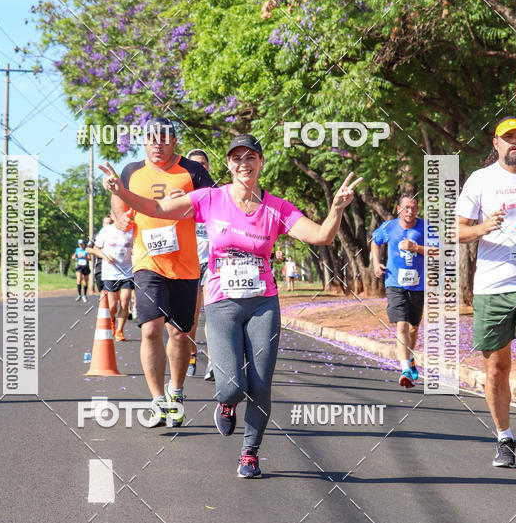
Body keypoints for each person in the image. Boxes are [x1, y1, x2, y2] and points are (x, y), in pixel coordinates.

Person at [100, 133, 361, 478]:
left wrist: (337, 209)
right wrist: (121, 193)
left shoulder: (277, 208)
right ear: (228, 165)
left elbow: (321, 236)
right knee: (231, 385)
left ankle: (250, 452)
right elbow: (159, 209)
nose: (244, 164)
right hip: (222, 302)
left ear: (261, 162)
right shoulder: (211, 198)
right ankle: (225, 402)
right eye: (237, 159)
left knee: (261, 383)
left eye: (250, 157)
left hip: (263, 303)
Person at [108, 118, 214, 426]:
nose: (158, 144)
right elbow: (119, 198)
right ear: (144, 142)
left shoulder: (193, 171)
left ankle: (176, 392)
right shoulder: (131, 171)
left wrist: (180, 205)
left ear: (174, 141)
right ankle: (157, 401)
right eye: (152, 139)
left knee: (179, 334)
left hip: (185, 264)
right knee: (150, 329)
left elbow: (214, 206)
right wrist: (119, 216)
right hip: (147, 262)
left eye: (164, 138)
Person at [457, 116, 516, 468]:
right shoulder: (481, 180)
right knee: (497, 370)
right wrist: (484, 226)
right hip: (493, 288)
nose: (515, 142)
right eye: (508, 137)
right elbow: (456, 230)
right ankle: (505, 438)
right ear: (496, 144)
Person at [371, 194, 438, 388]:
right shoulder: (388, 227)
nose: (410, 211)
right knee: (401, 325)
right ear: (398, 208)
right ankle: (405, 369)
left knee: (413, 328)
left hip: (418, 284)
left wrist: (416, 247)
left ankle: (410, 359)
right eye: (406, 207)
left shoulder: (425, 227)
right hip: (394, 283)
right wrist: (376, 264)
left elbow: (438, 250)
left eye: (414, 208)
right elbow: (375, 242)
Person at [185, 148, 213, 379]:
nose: (199, 168)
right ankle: (192, 352)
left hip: (214, 265)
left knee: (215, 315)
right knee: (191, 317)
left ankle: (215, 362)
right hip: (188, 264)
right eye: (193, 164)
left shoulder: (216, 195)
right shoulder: (180, 196)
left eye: (203, 164)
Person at [91, 218, 135, 341]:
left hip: (127, 272)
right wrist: (105, 256)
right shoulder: (106, 230)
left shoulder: (132, 229)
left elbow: (137, 247)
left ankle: (120, 331)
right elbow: (96, 248)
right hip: (110, 273)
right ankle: (112, 322)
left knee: (125, 302)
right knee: (112, 306)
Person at [87, 214, 113, 296]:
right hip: (100, 269)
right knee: (104, 294)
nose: (108, 225)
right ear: (103, 224)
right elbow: (88, 249)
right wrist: (101, 252)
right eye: (106, 223)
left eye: (110, 223)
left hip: (114, 269)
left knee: (113, 294)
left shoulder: (118, 234)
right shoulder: (97, 235)